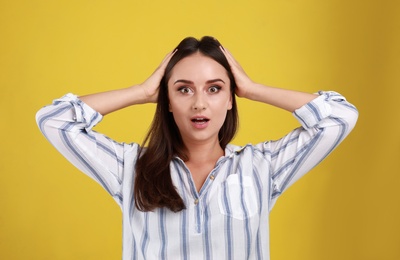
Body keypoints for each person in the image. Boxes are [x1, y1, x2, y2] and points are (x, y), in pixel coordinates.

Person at [36, 36, 358, 260]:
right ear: (169, 102)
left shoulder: (262, 167)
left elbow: (340, 117)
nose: (200, 104)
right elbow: (54, 120)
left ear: (230, 98)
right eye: (184, 90)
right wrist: (142, 91)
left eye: (215, 89)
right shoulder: (131, 168)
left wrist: (253, 89)